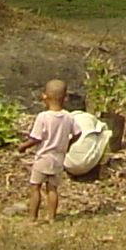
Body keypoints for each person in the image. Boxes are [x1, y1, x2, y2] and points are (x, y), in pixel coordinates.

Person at [26, 79, 83, 222]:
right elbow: (78, 133)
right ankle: (51, 217)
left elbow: (36, 138)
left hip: (43, 158)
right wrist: (68, 144)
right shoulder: (69, 117)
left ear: (44, 96)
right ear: (66, 98)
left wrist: (23, 146)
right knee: (52, 189)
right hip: (58, 159)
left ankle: (33, 217)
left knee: (35, 188)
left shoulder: (43, 117)